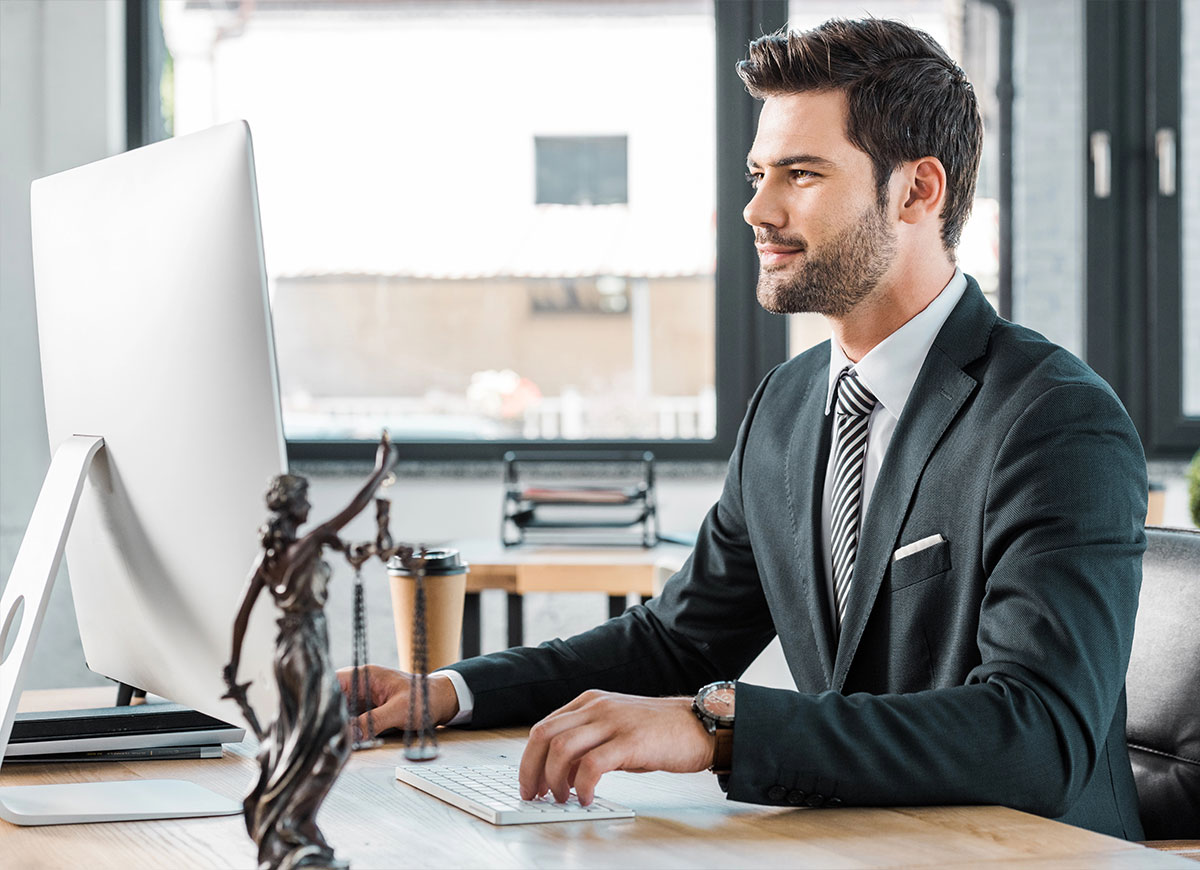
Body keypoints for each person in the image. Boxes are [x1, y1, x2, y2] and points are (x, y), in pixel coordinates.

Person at [341, 18, 1147, 839]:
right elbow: (672, 642)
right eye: (760, 172)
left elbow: (1039, 735)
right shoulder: (788, 406)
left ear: (917, 191)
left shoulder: (1054, 421)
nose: (757, 208)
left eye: (800, 174)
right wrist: (448, 691)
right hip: (869, 842)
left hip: (1029, 856)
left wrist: (719, 727)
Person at [225, 435, 398, 869]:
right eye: (307, 499)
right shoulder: (307, 544)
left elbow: (241, 615)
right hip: (306, 651)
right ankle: (293, 826)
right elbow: (352, 509)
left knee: (294, 739)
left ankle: (291, 823)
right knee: (333, 737)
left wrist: (231, 667)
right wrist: (380, 469)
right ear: (295, 505)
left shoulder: (272, 555)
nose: (312, 506)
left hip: (285, 651)